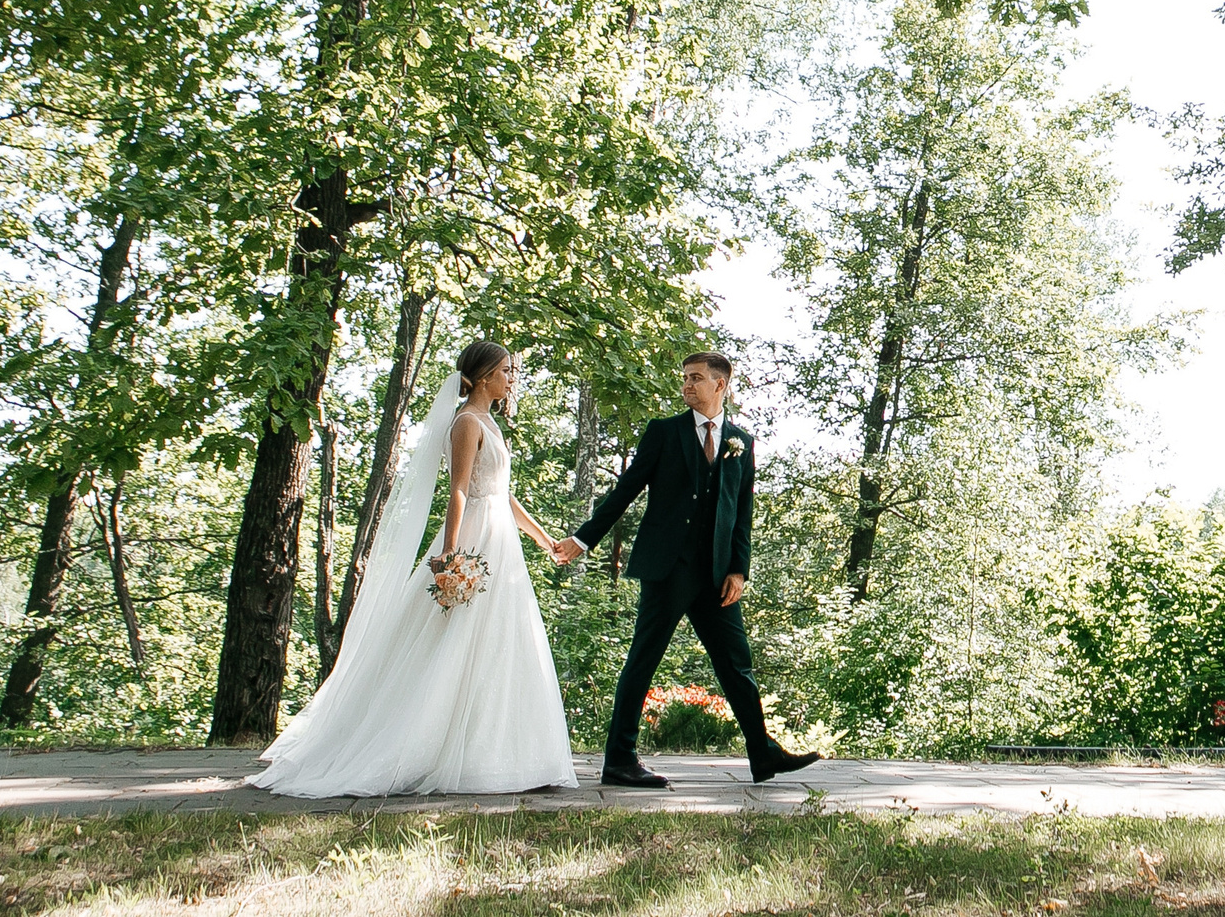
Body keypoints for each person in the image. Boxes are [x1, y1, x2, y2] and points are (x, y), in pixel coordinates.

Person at [249, 340, 577, 797]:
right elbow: (459, 490)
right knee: (453, 641)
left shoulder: (490, 424)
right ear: (483, 377)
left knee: (502, 639)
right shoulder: (465, 423)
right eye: (505, 370)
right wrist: (450, 554)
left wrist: (545, 540)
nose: (511, 377)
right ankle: (424, 747)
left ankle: (497, 754)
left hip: (502, 542)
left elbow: (504, 493)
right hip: (475, 539)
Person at [555, 350, 820, 788]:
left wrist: (739, 568)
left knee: (737, 663)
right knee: (643, 659)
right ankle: (619, 758)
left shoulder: (742, 442)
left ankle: (763, 753)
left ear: (721, 385)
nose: (686, 386)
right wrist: (583, 540)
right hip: (668, 568)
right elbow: (625, 491)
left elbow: (742, 512)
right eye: (684, 378)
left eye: (696, 378)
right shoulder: (664, 433)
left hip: (717, 575)